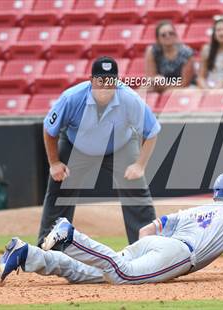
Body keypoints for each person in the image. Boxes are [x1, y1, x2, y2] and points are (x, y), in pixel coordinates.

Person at [0, 172, 223, 286]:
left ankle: (27, 255)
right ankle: (71, 236)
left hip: (157, 243)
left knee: (91, 273)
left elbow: (149, 229)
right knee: (122, 275)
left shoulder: (200, 207)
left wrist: (148, 251)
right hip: (178, 253)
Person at [37, 56, 160, 247]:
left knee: (136, 190)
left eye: (110, 80)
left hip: (120, 146)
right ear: (91, 80)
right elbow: (49, 129)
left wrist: (139, 165)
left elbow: (151, 131)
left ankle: (148, 247)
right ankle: (49, 248)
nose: (105, 85)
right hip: (76, 145)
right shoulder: (72, 98)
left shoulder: (129, 98)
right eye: (100, 80)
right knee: (58, 188)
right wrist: (54, 163)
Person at [145, 20, 195, 92]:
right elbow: (151, 77)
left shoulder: (186, 53)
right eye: (163, 35)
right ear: (158, 39)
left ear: (175, 35)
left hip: (182, 87)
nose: (168, 36)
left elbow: (185, 83)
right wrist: (156, 80)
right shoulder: (152, 51)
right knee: (145, 88)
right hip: (159, 85)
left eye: (171, 33)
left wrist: (165, 86)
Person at [197, 15, 223, 90]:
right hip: (209, 86)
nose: (222, 33)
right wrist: (207, 89)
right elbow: (201, 77)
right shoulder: (206, 49)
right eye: (218, 30)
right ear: (214, 33)